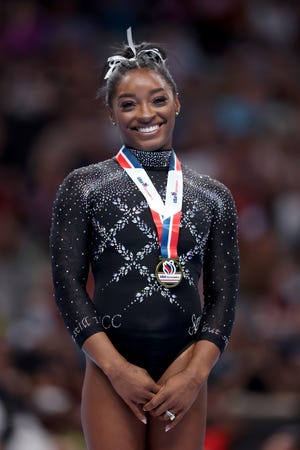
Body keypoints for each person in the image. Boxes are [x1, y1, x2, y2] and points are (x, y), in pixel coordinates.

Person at [50, 28, 239, 450]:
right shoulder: (85, 186)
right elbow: (66, 284)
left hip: (184, 363)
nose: (145, 113)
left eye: (157, 99)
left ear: (176, 103)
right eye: (128, 104)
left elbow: (224, 296)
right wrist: (115, 369)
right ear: (111, 113)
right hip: (112, 358)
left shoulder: (213, 196)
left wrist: (194, 377)